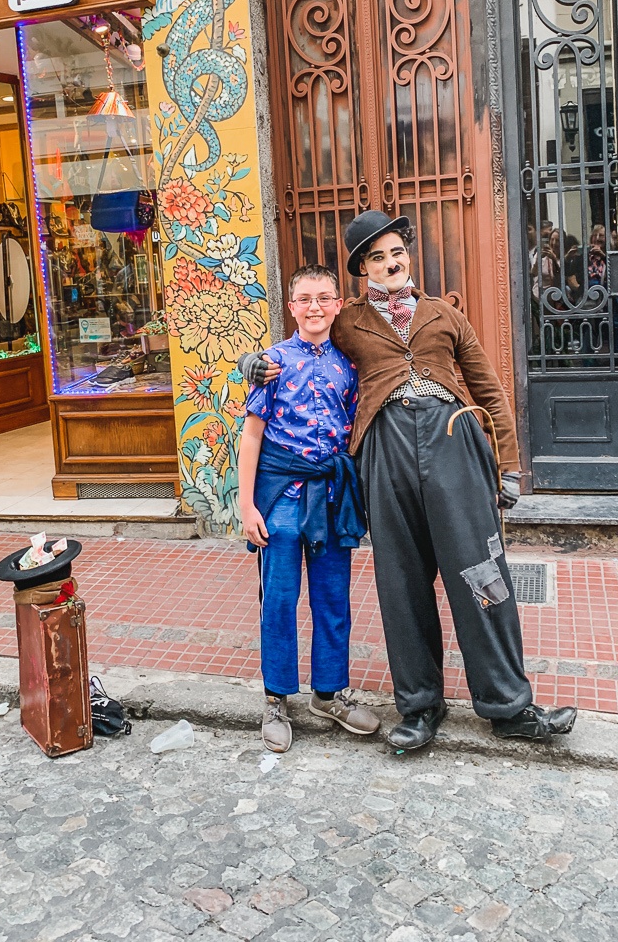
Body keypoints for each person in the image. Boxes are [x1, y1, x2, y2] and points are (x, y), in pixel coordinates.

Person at [240, 212, 576, 752]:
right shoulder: (347, 320)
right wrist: (250, 361)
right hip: (384, 452)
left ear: (408, 255)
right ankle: (419, 706)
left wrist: (507, 466)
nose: (390, 263)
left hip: (453, 444)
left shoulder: (445, 314)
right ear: (362, 269)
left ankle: (509, 705)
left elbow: (489, 392)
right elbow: (297, 342)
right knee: (401, 583)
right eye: (377, 257)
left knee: (481, 573)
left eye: (396, 252)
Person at [238, 263, 380, 753]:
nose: (315, 307)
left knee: (332, 598)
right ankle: (276, 697)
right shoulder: (272, 362)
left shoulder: (349, 365)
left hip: (330, 499)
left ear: (338, 304)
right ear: (291, 306)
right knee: (278, 600)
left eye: (324, 298)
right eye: (305, 299)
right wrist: (245, 506)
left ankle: (329, 692)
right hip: (279, 501)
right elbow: (251, 435)